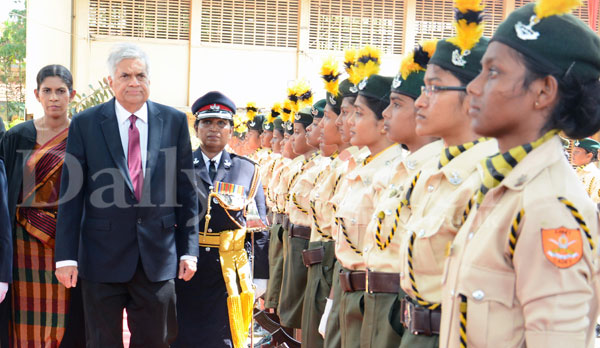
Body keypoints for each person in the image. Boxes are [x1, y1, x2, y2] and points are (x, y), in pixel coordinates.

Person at [440, 1, 600, 347]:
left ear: (543, 91)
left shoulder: (548, 207)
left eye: (493, 72)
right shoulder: (498, 186)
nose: (473, 87)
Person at [54, 44, 198, 348]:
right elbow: (72, 194)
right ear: (110, 81)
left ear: (149, 79)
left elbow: (186, 192)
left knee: (156, 340)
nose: (134, 82)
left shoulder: (173, 122)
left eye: (141, 75)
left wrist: (189, 250)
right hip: (100, 257)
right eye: (126, 75)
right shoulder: (86, 123)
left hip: (157, 259)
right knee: (102, 341)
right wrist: (66, 256)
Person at [359, 41, 442, 348]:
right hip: (377, 298)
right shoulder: (402, 170)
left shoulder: (439, 173)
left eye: (396, 104)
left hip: (406, 308)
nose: (385, 113)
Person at [174, 91, 269, 348]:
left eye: (221, 123)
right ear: (196, 128)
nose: (213, 129)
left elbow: (258, 227)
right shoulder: (178, 165)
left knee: (224, 338)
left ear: (231, 129)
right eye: (206, 123)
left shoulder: (246, 169)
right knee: (182, 337)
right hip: (184, 268)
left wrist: (260, 275)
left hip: (226, 272)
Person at [0, 65, 86, 347]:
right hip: (21, 244)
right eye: (47, 91)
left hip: (63, 243)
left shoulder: (83, 136)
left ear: (71, 95)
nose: (54, 98)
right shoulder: (16, 137)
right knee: (21, 316)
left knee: (62, 317)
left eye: (61, 91)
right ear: (36, 94)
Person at [333, 46, 406, 348]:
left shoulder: (393, 174)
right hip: (351, 287)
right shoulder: (362, 167)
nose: (346, 122)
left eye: (357, 114)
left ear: (382, 124)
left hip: (375, 296)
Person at [571, 138, 600, 203]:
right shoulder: (573, 172)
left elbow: (596, 206)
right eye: (573, 151)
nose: (573, 154)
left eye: (577, 152)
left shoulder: (596, 176)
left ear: (589, 155)